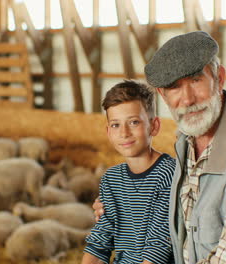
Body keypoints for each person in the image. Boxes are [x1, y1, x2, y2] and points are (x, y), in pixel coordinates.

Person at [93, 31, 226, 264]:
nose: (187, 99)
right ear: (163, 95)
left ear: (219, 78)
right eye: (174, 87)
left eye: (196, 80)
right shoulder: (186, 140)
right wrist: (117, 209)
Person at [82, 80, 175, 264]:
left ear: (154, 126)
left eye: (133, 122)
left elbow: (157, 249)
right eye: (116, 125)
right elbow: (99, 242)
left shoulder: (168, 174)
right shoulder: (111, 179)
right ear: (108, 132)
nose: (124, 133)